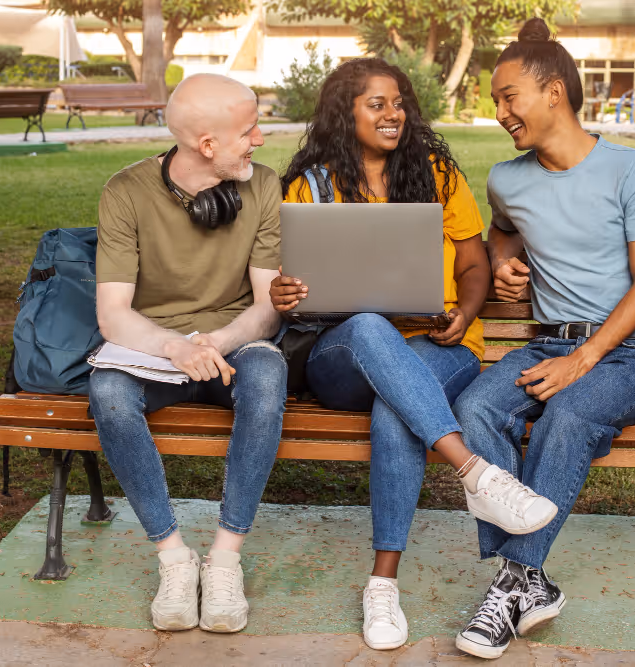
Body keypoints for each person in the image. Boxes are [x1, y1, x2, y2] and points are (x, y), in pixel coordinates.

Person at [268, 58, 557, 652]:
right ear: (343, 112)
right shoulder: (313, 185)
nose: (393, 113)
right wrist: (286, 293)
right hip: (344, 352)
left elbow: (474, 264)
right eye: (376, 103)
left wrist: (465, 312)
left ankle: (382, 585)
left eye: (399, 102)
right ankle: (476, 473)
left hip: (439, 345)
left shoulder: (435, 174)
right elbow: (295, 291)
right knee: (373, 323)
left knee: (394, 411)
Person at [452, 19, 635, 659]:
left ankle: (513, 582)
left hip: (627, 354)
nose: (499, 113)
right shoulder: (507, 179)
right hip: (546, 345)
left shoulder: (634, 169)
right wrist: (500, 260)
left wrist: (586, 359)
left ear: (554, 92)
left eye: (507, 96)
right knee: (473, 409)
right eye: (495, 100)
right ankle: (531, 580)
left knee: (569, 414)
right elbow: (502, 230)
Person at [89, 74, 287, 634]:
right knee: (107, 391)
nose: (259, 140)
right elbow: (114, 314)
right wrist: (175, 347)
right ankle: (174, 559)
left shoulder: (264, 186)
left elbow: (269, 305)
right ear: (207, 145)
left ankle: (224, 559)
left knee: (268, 376)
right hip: (155, 347)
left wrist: (217, 344)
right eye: (249, 131)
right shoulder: (124, 191)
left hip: (235, 341)